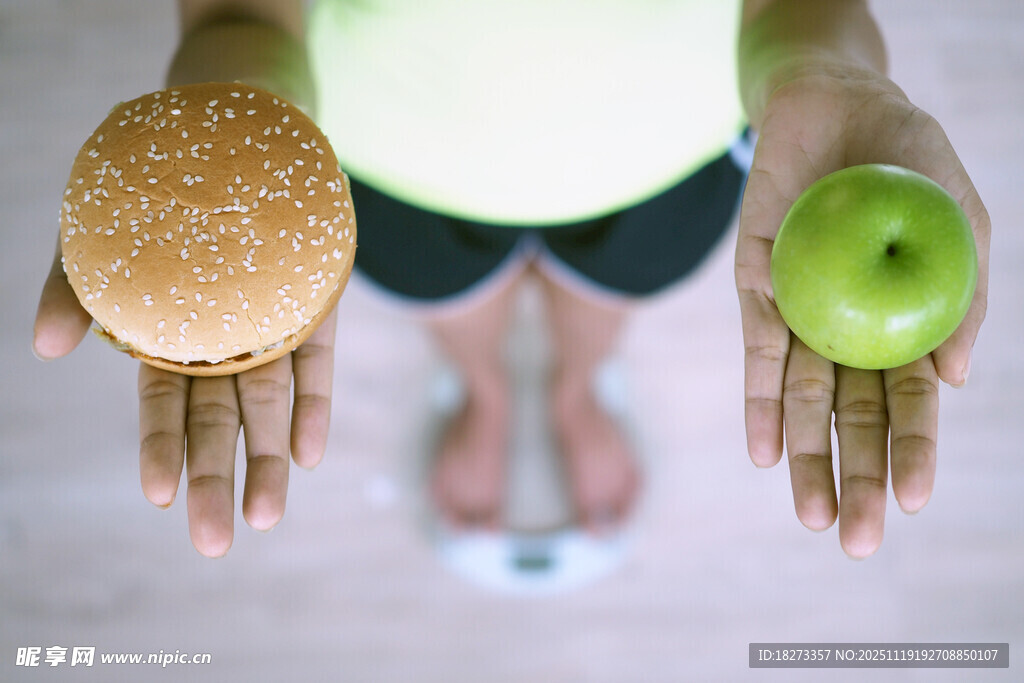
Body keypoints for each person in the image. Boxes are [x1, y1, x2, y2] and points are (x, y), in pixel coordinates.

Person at [33, 0, 990, 559]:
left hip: (676, 146)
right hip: (373, 158)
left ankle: (571, 391)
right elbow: (241, 14)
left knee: (604, 294)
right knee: (454, 302)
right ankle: (491, 393)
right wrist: (216, 142)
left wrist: (832, 76)